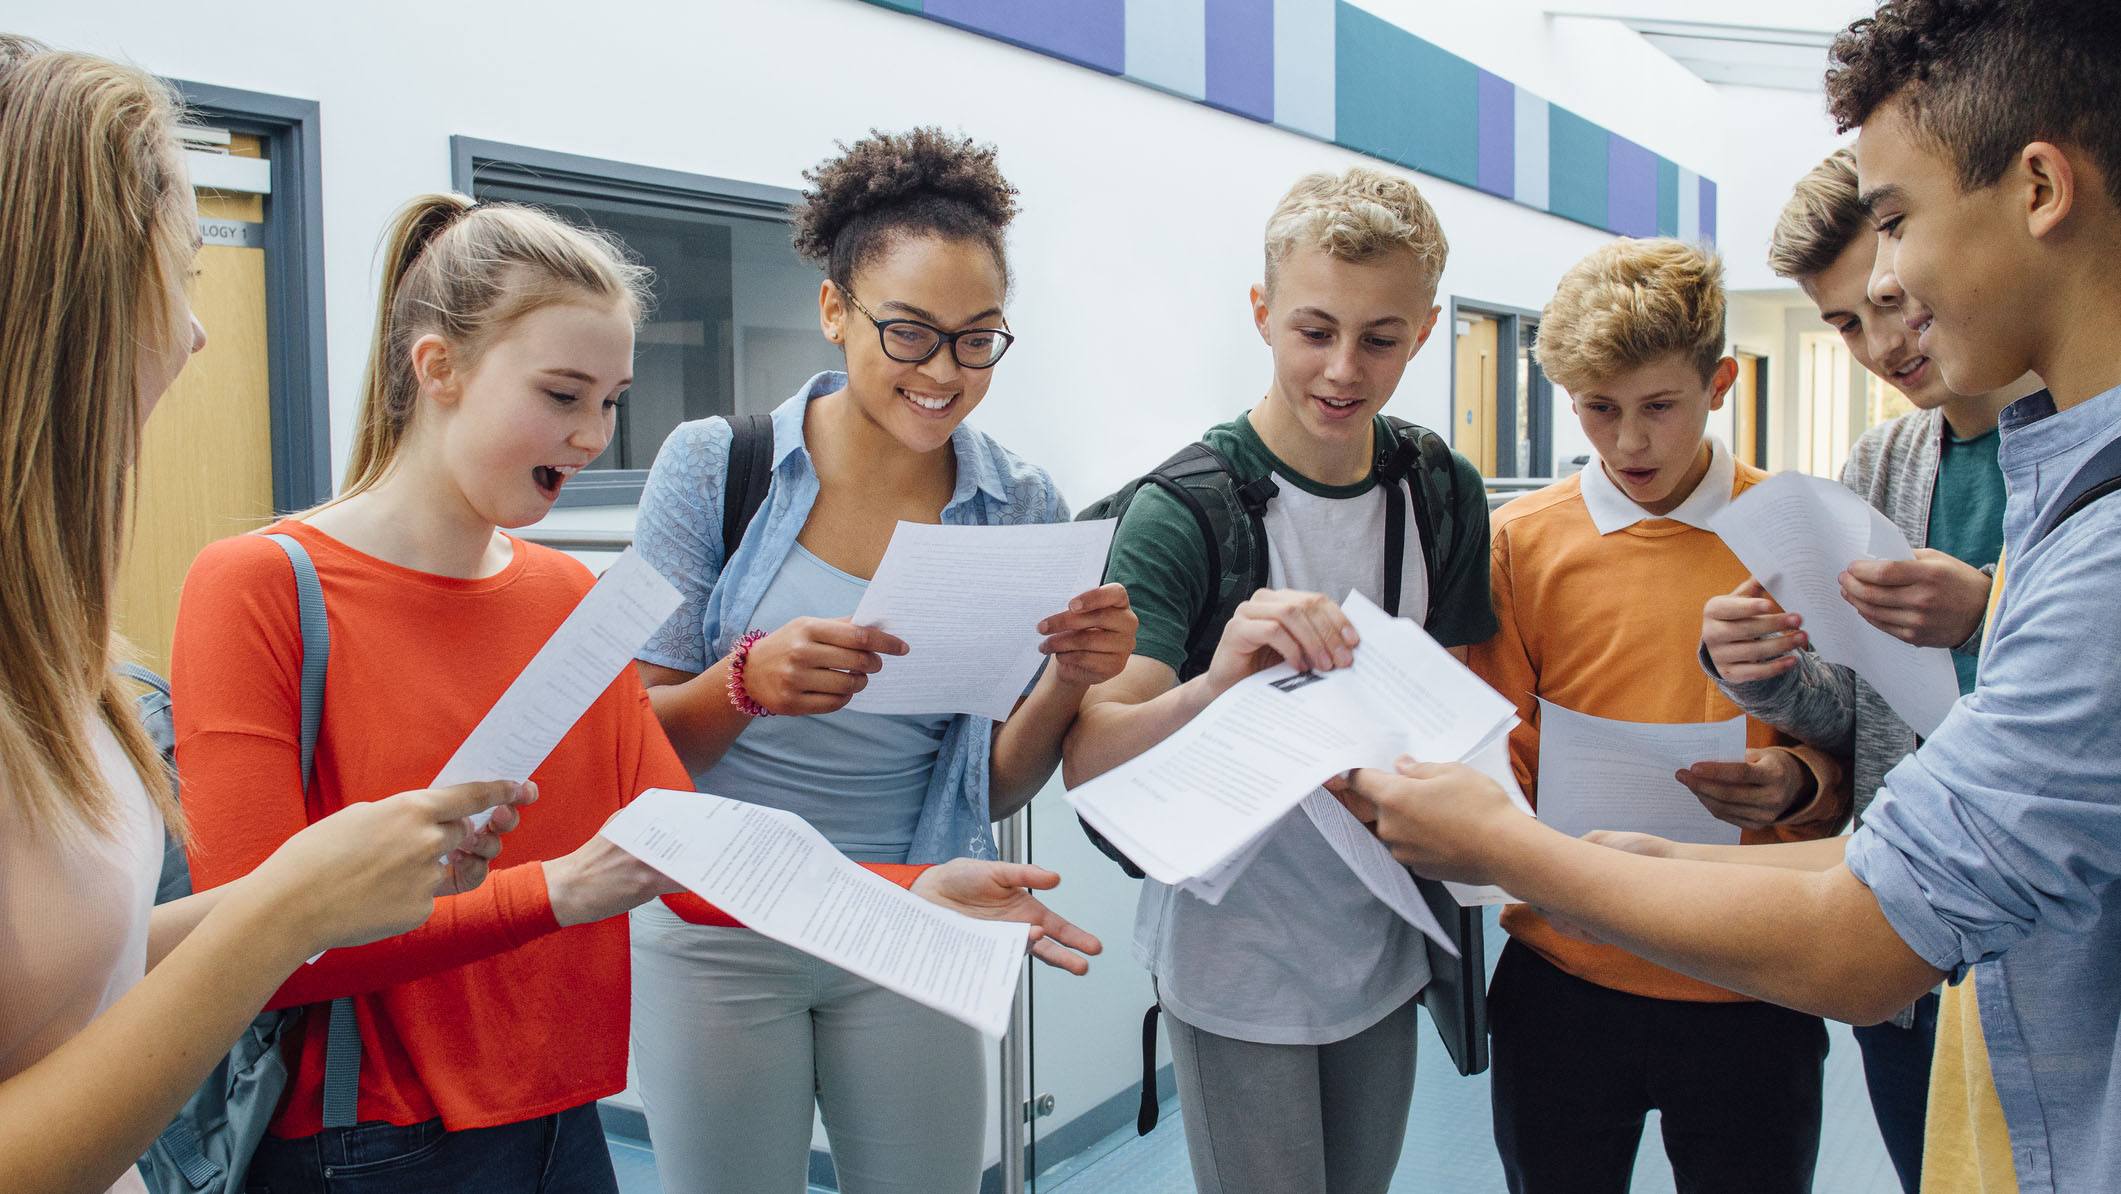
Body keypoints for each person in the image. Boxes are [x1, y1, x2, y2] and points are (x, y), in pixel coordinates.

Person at [174, 185, 1101, 1194]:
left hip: (559, 1123)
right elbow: (244, 948)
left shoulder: (567, 594)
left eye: (612, 402)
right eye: (564, 397)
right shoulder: (264, 585)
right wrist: (561, 890)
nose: (593, 440)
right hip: (366, 1140)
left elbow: (690, 853)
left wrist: (915, 889)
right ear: (436, 368)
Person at [1343, 3, 2121, 1189]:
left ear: (2039, 187)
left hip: (1782, 998)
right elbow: (1884, 846)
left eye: (1899, 224)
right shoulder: (2037, 499)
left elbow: (1870, 931)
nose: (1893, 290)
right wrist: (1642, 856)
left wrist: (1525, 850)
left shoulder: (2083, 552)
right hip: (1593, 979)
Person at [0, 35, 529, 1194]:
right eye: (182, 275)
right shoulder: (262, 577)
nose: (195, 335)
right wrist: (289, 906)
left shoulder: (55, 651)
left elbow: (64, 983)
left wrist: (316, 893)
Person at [626, 127, 1129, 1194]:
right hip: (722, 924)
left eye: (977, 338)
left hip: (918, 907)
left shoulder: (1021, 504)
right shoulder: (719, 466)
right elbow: (630, 750)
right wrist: (744, 684)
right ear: (833, 311)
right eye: (908, 332)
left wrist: (1070, 680)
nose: (943, 372)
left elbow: (991, 782)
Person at [1062, 167, 1496, 1194]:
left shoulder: (1439, 490)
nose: (1344, 369)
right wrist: (1217, 684)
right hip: (1235, 953)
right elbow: (1094, 760)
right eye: (1314, 330)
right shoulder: (1181, 511)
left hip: (1386, 940)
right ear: (1261, 314)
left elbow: (1472, 700)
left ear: (1426, 332)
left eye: (1381, 339)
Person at [1465, 237, 1849, 1194]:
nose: (1627, 443)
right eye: (1598, 409)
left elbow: (1859, 737)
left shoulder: (1803, 530)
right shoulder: (1518, 544)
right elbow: (1491, 753)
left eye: (1656, 407)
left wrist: (1798, 781)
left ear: (1718, 382)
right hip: (1564, 973)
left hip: (1752, 968)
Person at [1698, 146, 2035, 1194]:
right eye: (1844, 323)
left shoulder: (2077, 447)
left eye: (1893, 303)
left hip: (2042, 942)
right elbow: (1852, 715)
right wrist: (1757, 670)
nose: (1883, 344)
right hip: (1909, 951)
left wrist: (1986, 609)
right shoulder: (1880, 469)